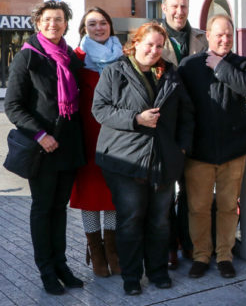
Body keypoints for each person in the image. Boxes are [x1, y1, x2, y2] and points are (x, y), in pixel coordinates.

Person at [92, 22, 194, 295]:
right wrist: (136, 119)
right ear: (135, 43)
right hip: (126, 161)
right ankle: (132, 277)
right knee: (131, 219)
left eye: (159, 46)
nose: (154, 50)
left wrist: (181, 148)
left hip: (163, 160)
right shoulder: (116, 71)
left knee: (160, 220)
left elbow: (186, 114)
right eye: (149, 44)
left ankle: (158, 271)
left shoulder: (170, 73)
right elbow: (99, 109)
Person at [4, 0, 86, 295]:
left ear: (66, 24)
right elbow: (12, 105)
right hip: (43, 149)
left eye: (59, 19)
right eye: (48, 19)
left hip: (69, 147)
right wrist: (39, 134)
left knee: (59, 210)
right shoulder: (28, 58)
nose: (54, 24)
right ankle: (47, 271)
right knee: (43, 209)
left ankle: (62, 264)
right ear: (38, 23)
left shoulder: (70, 58)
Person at [179, 15, 246, 279]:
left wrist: (221, 66)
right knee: (198, 207)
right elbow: (181, 106)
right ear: (208, 36)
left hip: (233, 150)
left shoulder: (241, 64)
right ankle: (201, 255)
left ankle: (225, 254)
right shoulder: (189, 66)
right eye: (219, 35)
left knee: (227, 205)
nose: (224, 39)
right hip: (199, 152)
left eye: (228, 35)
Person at [70, 7, 124, 277]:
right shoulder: (76, 58)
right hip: (86, 138)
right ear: (84, 29)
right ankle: (95, 248)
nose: (99, 28)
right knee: (91, 196)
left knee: (112, 195)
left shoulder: (124, 57)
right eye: (92, 24)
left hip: (117, 138)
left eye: (103, 22)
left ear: (111, 26)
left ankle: (112, 249)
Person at [159, 0, 207, 269]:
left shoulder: (202, 38)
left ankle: (190, 243)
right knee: (165, 193)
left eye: (184, 7)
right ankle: (169, 246)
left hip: (196, 125)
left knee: (192, 191)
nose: (179, 12)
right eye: (174, 6)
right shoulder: (152, 37)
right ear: (164, 8)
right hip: (165, 127)